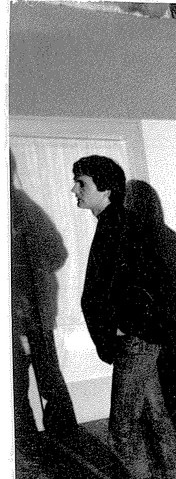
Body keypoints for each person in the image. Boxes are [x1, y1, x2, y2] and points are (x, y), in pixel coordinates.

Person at [73, 155, 176, 479]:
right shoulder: (125, 224)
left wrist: (121, 332)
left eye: (81, 183)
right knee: (154, 413)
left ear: (105, 187)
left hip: (136, 340)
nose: (74, 189)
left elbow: (114, 290)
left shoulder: (117, 225)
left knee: (122, 425)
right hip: (143, 338)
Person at [12, 156, 77, 445]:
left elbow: (57, 253)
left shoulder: (20, 205)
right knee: (17, 385)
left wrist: (27, 281)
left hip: (30, 313)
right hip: (24, 312)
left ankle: (63, 445)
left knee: (42, 381)